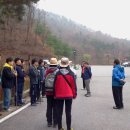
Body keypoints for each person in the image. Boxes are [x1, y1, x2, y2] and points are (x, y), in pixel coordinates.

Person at [54, 57, 77, 130]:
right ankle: (69, 128)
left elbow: (55, 86)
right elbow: (73, 86)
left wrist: (55, 95)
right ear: (68, 64)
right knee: (68, 112)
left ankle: (60, 128)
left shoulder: (57, 73)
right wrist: (74, 94)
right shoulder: (71, 73)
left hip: (59, 95)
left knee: (59, 112)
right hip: (69, 95)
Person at [45, 58, 58, 127]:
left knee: (49, 106)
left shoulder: (47, 71)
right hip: (55, 92)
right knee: (55, 107)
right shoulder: (58, 71)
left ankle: (49, 122)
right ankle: (55, 122)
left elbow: (44, 79)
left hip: (48, 91)